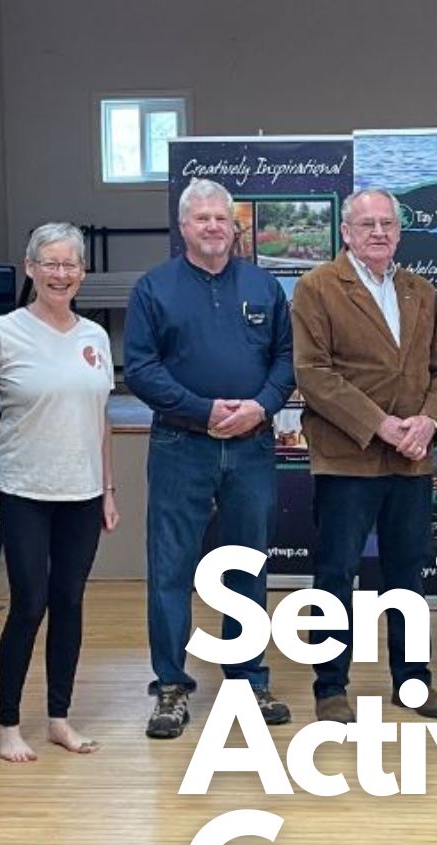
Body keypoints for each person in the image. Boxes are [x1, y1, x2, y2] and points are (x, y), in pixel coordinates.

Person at [124, 178, 295, 739]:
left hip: (250, 445)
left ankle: (247, 678)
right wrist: (202, 410)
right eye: (201, 219)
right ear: (183, 226)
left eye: (221, 218)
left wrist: (262, 406)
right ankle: (171, 687)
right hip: (181, 446)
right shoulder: (154, 288)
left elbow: (287, 359)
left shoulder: (264, 286)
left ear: (234, 225)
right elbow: (142, 369)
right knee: (171, 568)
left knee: (246, 567)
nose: (213, 227)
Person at [293, 188, 437, 724]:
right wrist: (382, 425)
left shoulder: (420, 291)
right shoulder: (317, 287)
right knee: (336, 573)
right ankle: (330, 687)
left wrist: (428, 421)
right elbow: (314, 375)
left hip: (412, 458)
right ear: (346, 232)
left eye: (387, 223)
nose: (378, 233)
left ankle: (412, 682)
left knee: (407, 575)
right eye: (366, 224)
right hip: (348, 458)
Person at [0, 223, 119, 761]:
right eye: (50, 264)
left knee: (69, 602)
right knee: (29, 603)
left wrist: (107, 487)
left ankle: (59, 717)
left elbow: (100, 418)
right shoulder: (0, 334)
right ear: (31, 268)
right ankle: (8, 723)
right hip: (24, 488)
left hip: (82, 490)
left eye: (71, 265)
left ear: (82, 272)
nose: (61, 274)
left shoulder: (94, 337)